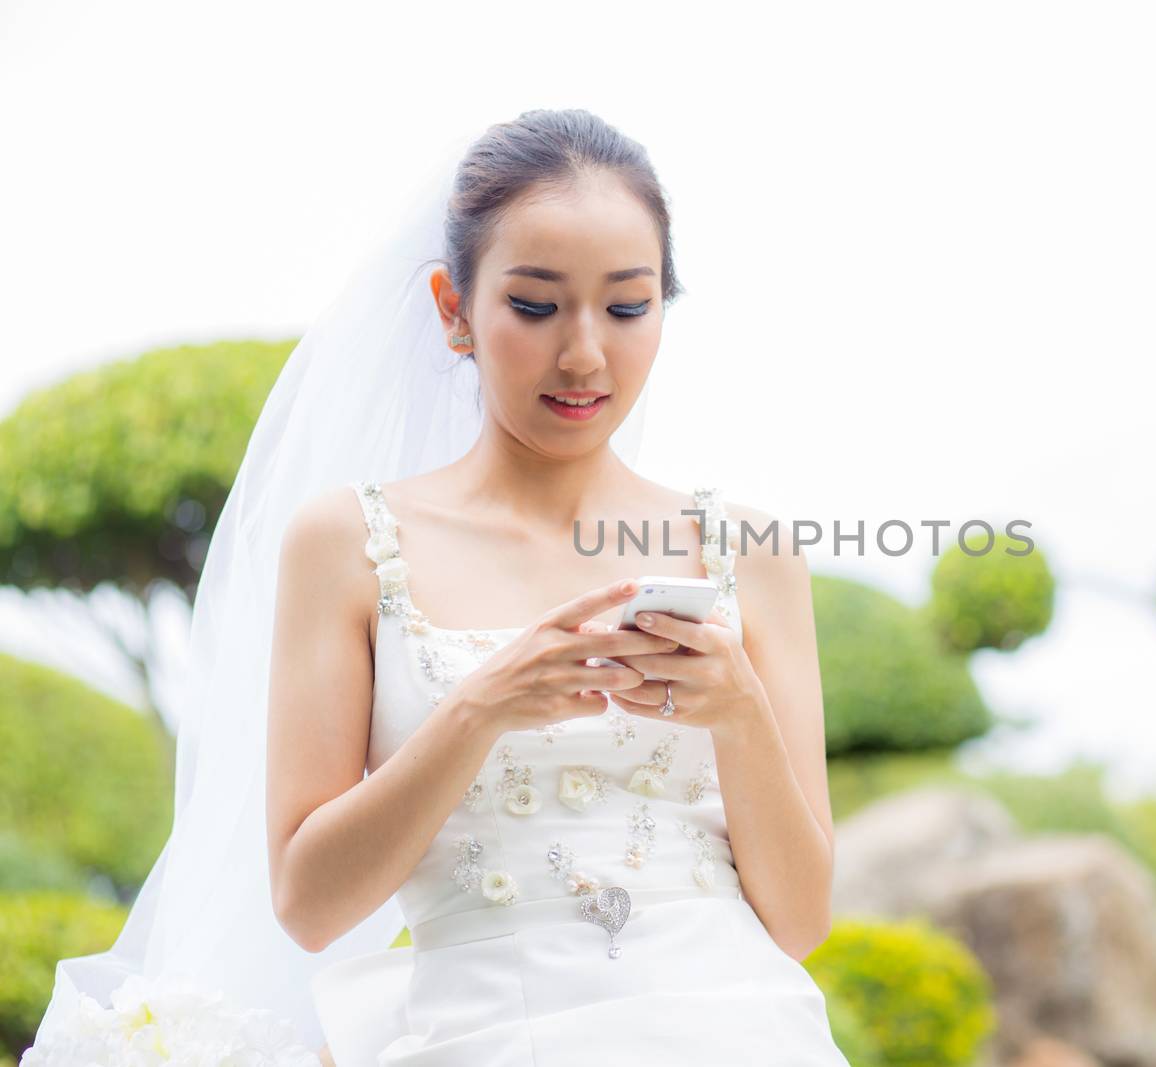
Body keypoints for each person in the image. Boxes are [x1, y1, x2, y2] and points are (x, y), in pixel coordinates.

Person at [21, 109, 850, 1066]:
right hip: (482, 1034)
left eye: (626, 307)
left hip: (739, 1031)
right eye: (536, 306)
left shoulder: (750, 549)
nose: (584, 353)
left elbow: (799, 921)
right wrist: (481, 708)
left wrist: (740, 710)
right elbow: (310, 902)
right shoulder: (351, 544)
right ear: (453, 308)